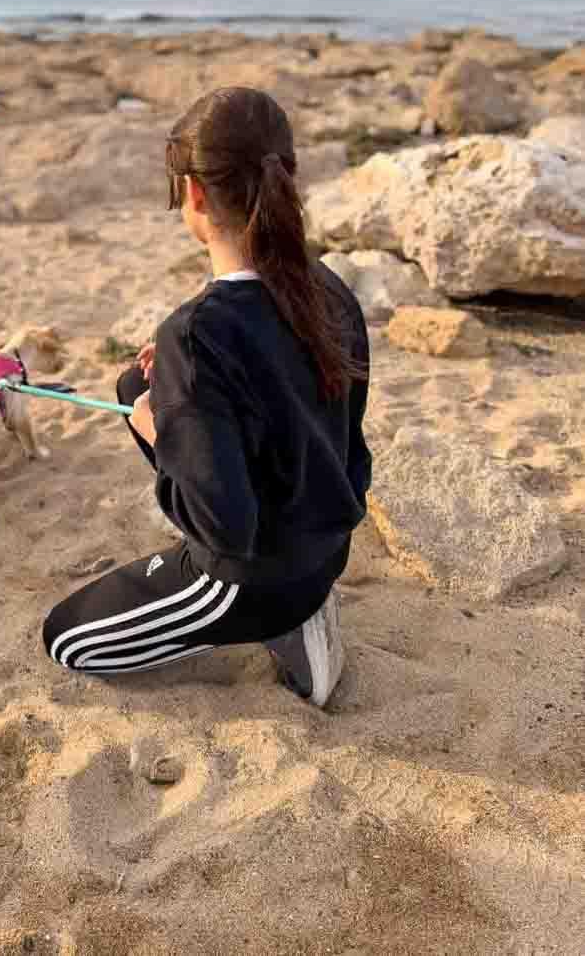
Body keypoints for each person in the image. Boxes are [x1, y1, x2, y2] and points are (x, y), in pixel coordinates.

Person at [43, 87, 371, 707]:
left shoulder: (194, 335)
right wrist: (168, 388)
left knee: (66, 640)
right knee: (133, 384)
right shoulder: (326, 286)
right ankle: (298, 599)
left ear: (193, 195)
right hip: (328, 539)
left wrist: (157, 428)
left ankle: (284, 623)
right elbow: (331, 419)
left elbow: (229, 526)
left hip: (254, 575)